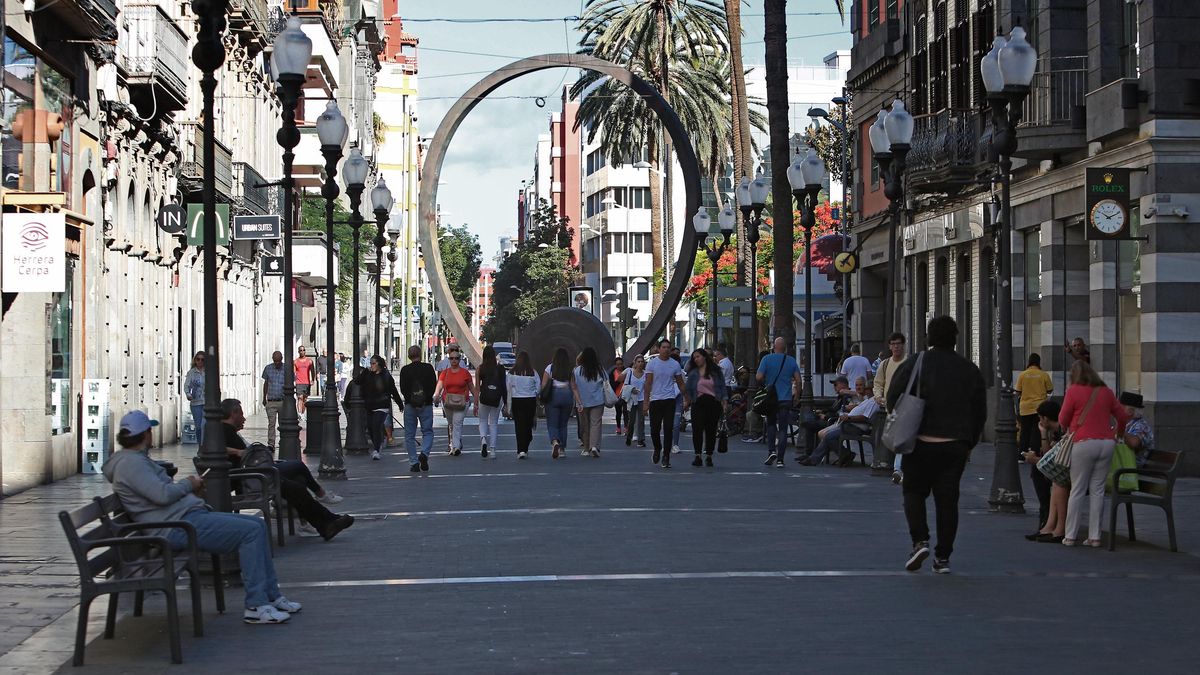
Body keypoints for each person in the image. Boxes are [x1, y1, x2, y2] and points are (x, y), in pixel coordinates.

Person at [103, 410, 302, 625]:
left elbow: (160, 494)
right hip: (176, 526)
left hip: (182, 518)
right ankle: (256, 604)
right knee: (252, 532)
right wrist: (189, 483)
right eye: (150, 431)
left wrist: (191, 491)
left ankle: (270, 596)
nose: (151, 435)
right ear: (145, 434)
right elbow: (162, 495)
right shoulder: (130, 464)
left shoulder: (134, 461)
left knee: (258, 525)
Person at [887, 316, 986, 575]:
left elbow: (892, 397)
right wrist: (968, 443)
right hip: (954, 446)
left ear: (929, 337)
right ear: (955, 337)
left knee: (913, 492)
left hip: (920, 443)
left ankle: (920, 541)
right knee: (947, 501)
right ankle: (943, 558)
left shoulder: (916, 363)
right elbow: (980, 412)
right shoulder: (969, 369)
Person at [219, 399, 352, 540]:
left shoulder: (228, 431)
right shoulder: (221, 431)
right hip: (254, 477)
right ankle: (324, 510)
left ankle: (323, 525)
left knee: (299, 480)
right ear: (233, 413)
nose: (244, 418)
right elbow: (211, 449)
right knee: (297, 469)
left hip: (258, 473)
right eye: (241, 414)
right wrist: (237, 452)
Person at [1059, 360, 1127, 547]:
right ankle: (1095, 537)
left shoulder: (1073, 391)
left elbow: (1062, 418)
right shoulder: (1106, 391)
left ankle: (1070, 536)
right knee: (1098, 490)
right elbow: (1122, 416)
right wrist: (1118, 433)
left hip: (1083, 442)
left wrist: (1068, 426)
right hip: (1107, 443)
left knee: (1078, 489)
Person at [801, 376, 880, 467]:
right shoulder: (868, 400)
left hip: (855, 426)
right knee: (827, 435)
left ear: (871, 390)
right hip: (848, 423)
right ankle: (818, 458)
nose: (864, 390)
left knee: (828, 436)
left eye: (866, 388)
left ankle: (818, 458)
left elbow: (865, 417)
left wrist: (849, 418)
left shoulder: (874, 402)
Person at [1023, 399, 1066, 541]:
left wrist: (1034, 460)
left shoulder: (1062, 430)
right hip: (1060, 470)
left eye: (1040, 418)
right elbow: (1049, 455)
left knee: (1038, 472)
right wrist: (1043, 433)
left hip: (1065, 472)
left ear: (1045, 418)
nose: (1039, 422)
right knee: (1039, 472)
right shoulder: (1055, 430)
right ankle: (1046, 522)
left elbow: (1052, 460)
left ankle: (1046, 519)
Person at [756, 337, 803, 468]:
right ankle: (781, 460)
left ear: (773, 346)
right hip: (786, 398)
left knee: (771, 424)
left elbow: (758, 377)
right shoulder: (791, 361)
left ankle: (771, 451)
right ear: (785, 348)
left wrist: (767, 380)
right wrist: (797, 396)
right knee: (783, 428)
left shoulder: (766, 359)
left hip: (771, 398)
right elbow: (799, 380)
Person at [643, 339, 690, 469]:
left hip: (669, 399)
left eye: (668, 347)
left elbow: (680, 383)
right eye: (663, 347)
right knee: (654, 429)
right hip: (655, 400)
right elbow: (647, 384)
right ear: (659, 349)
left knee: (669, 428)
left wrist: (686, 398)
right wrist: (646, 402)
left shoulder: (674, 364)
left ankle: (666, 456)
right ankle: (657, 448)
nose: (666, 349)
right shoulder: (652, 364)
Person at [351, 355, 405, 461]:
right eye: (370, 363)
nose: (371, 365)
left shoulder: (386, 375)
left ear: (379, 364)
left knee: (376, 425)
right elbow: (357, 381)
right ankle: (379, 442)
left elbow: (393, 390)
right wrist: (365, 372)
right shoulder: (368, 374)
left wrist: (400, 404)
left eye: (373, 363)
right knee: (370, 427)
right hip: (370, 405)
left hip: (382, 405)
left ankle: (376, 449)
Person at [872, 333, 908, 481]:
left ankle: (898, 469)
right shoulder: (885, 364)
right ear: (889, 346)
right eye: (893, 344)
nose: (896, 346)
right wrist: (878, 396)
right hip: (889, 408)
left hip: (907, 407)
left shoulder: (909, 362)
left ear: (903, 345)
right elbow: (878, 383)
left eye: (898, 343)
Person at [684, 349, 728, 467]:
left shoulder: (716, 371)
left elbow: (722, 386)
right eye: (694, 358)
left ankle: (709, 455)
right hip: (698, 402)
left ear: (704, 357)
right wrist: (687, 401)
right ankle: (697, 455)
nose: (696, 359)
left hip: (713, 402)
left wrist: (724, 401)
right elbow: (687, 388)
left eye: (698, 356)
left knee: (711, 430)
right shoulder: (693, 372)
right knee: (697, 429)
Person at [434, 349, 476, 456]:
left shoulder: (465, 373)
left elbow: (472, 387)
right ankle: (453, 444)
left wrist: (477, 399)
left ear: (460, 360)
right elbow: (439, 385)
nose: (454, 360)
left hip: (462, 402)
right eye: (451, 358)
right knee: (451, 424)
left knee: (457, 423)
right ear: (449, 360)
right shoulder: (445, 373)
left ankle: (456, 447)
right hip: (447, 402)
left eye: (456, 358)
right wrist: (436, 395)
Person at [1015, 353, 1054, 460]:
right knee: (1036, 432)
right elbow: (1050, 390)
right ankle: (1035, 454)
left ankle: (1021, 455)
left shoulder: (1022, 375)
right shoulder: (1043, 375)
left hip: (1025, 408)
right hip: (1039, 407)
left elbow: (1018, 391)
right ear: (1038, 362)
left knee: (1024, 432)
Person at [573, 347, 607, 458]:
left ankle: (586, 448)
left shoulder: (577, 371)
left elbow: (574, 387)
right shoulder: (600, 369)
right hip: (597, 400)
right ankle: (594, 446)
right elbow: (606, 381)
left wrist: (578, 401)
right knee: (595, 423)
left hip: (582, 402)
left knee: (585, 425)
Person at [542, 348, 575, 459]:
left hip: (553, 395)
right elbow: (573, 386)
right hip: (566, 395)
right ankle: (562, 449)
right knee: (563, 424)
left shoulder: (550, 367)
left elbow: (543, 385)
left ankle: (555, 441)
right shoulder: (570, 369)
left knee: (552, 422)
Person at [507, 351, 540, 459]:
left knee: (519, 425)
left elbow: (508, 388)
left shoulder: (511, 373)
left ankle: (521, 450)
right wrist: (534, 392)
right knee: (528, 423)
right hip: (530, 400)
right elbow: (538, 386)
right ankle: (527, 440)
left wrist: (508, 404)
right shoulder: (533, 372)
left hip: (517, 400)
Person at [476, 345, 507, 459]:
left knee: (483, 420)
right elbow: (503, 386)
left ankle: (483, 439)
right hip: (496, 398)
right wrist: (506, 402)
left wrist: (475, 403)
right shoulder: (500, 368)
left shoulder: (480, 368)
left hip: (484, 398)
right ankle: (493, 450)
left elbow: (477, 387)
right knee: (493, 422)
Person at [1120, 391, 1155, 466]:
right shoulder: (1127, 424)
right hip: (1125, 462)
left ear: (1130, 411)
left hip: (1135, 465)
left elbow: (1134, 443)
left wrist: (1119, 429)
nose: (1117, 409)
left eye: (1120, 407)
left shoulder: (1141, 426)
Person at [261, 351, 286, 449]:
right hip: (271, 400)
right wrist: (264, 397)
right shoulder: (268, 368)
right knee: (271, 423)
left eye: (278, 361)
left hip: (282, 401)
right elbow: (266, 383)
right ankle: (271, 443)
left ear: (282, 359)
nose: (277, 363)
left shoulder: (286, 369)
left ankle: (283, 441)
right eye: (275, 361)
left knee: (282, 423)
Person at [622, 355, 648, 447]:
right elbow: (625, 385)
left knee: (641, 420)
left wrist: (647, 401)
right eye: (638, 361)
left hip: (642, 399)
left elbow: (648, 387)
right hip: (632, 399)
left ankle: (641, 439)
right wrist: (631, 390)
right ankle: (629, 437)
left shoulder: (646, 374)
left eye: (642, 362)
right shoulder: (630, 373)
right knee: (631, 420)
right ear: (635, 363)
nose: (640, 363)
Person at [184, 351, 206, 445]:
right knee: (198, 426)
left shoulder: (209, 371)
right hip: (195, 402)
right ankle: (200, 445)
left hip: (207, 402)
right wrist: (188, 394)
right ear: (195, 360)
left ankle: (205, 445)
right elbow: (186, 386)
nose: (200, 361)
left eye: (202, 359)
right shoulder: (191, 372)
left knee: (205, 425)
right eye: (198, 359)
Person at [294, 346, 315, 415]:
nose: (302, 351)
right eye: (301, 350)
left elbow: (312, 371)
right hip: (299, 382)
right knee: (300, 398)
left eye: (303, 350)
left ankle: (303, 413)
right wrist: (294, 381)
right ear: (298, 352)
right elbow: (293, 373)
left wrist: (313, 379)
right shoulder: (295, 361)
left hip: (307, 382)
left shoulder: (309, 361)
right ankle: (299, 413)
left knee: (305, 399)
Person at [610, 357, 627, 436]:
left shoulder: (627, 371)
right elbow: (612, 385)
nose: (619, 366)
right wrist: (619, 381)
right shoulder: (613, 373)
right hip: (617, 395)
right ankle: (618, 427)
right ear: (615, 365)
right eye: (618, 364)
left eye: (621, 364)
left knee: (626, 412)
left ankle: (626, 428)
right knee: (618, 412)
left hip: (626, 395)